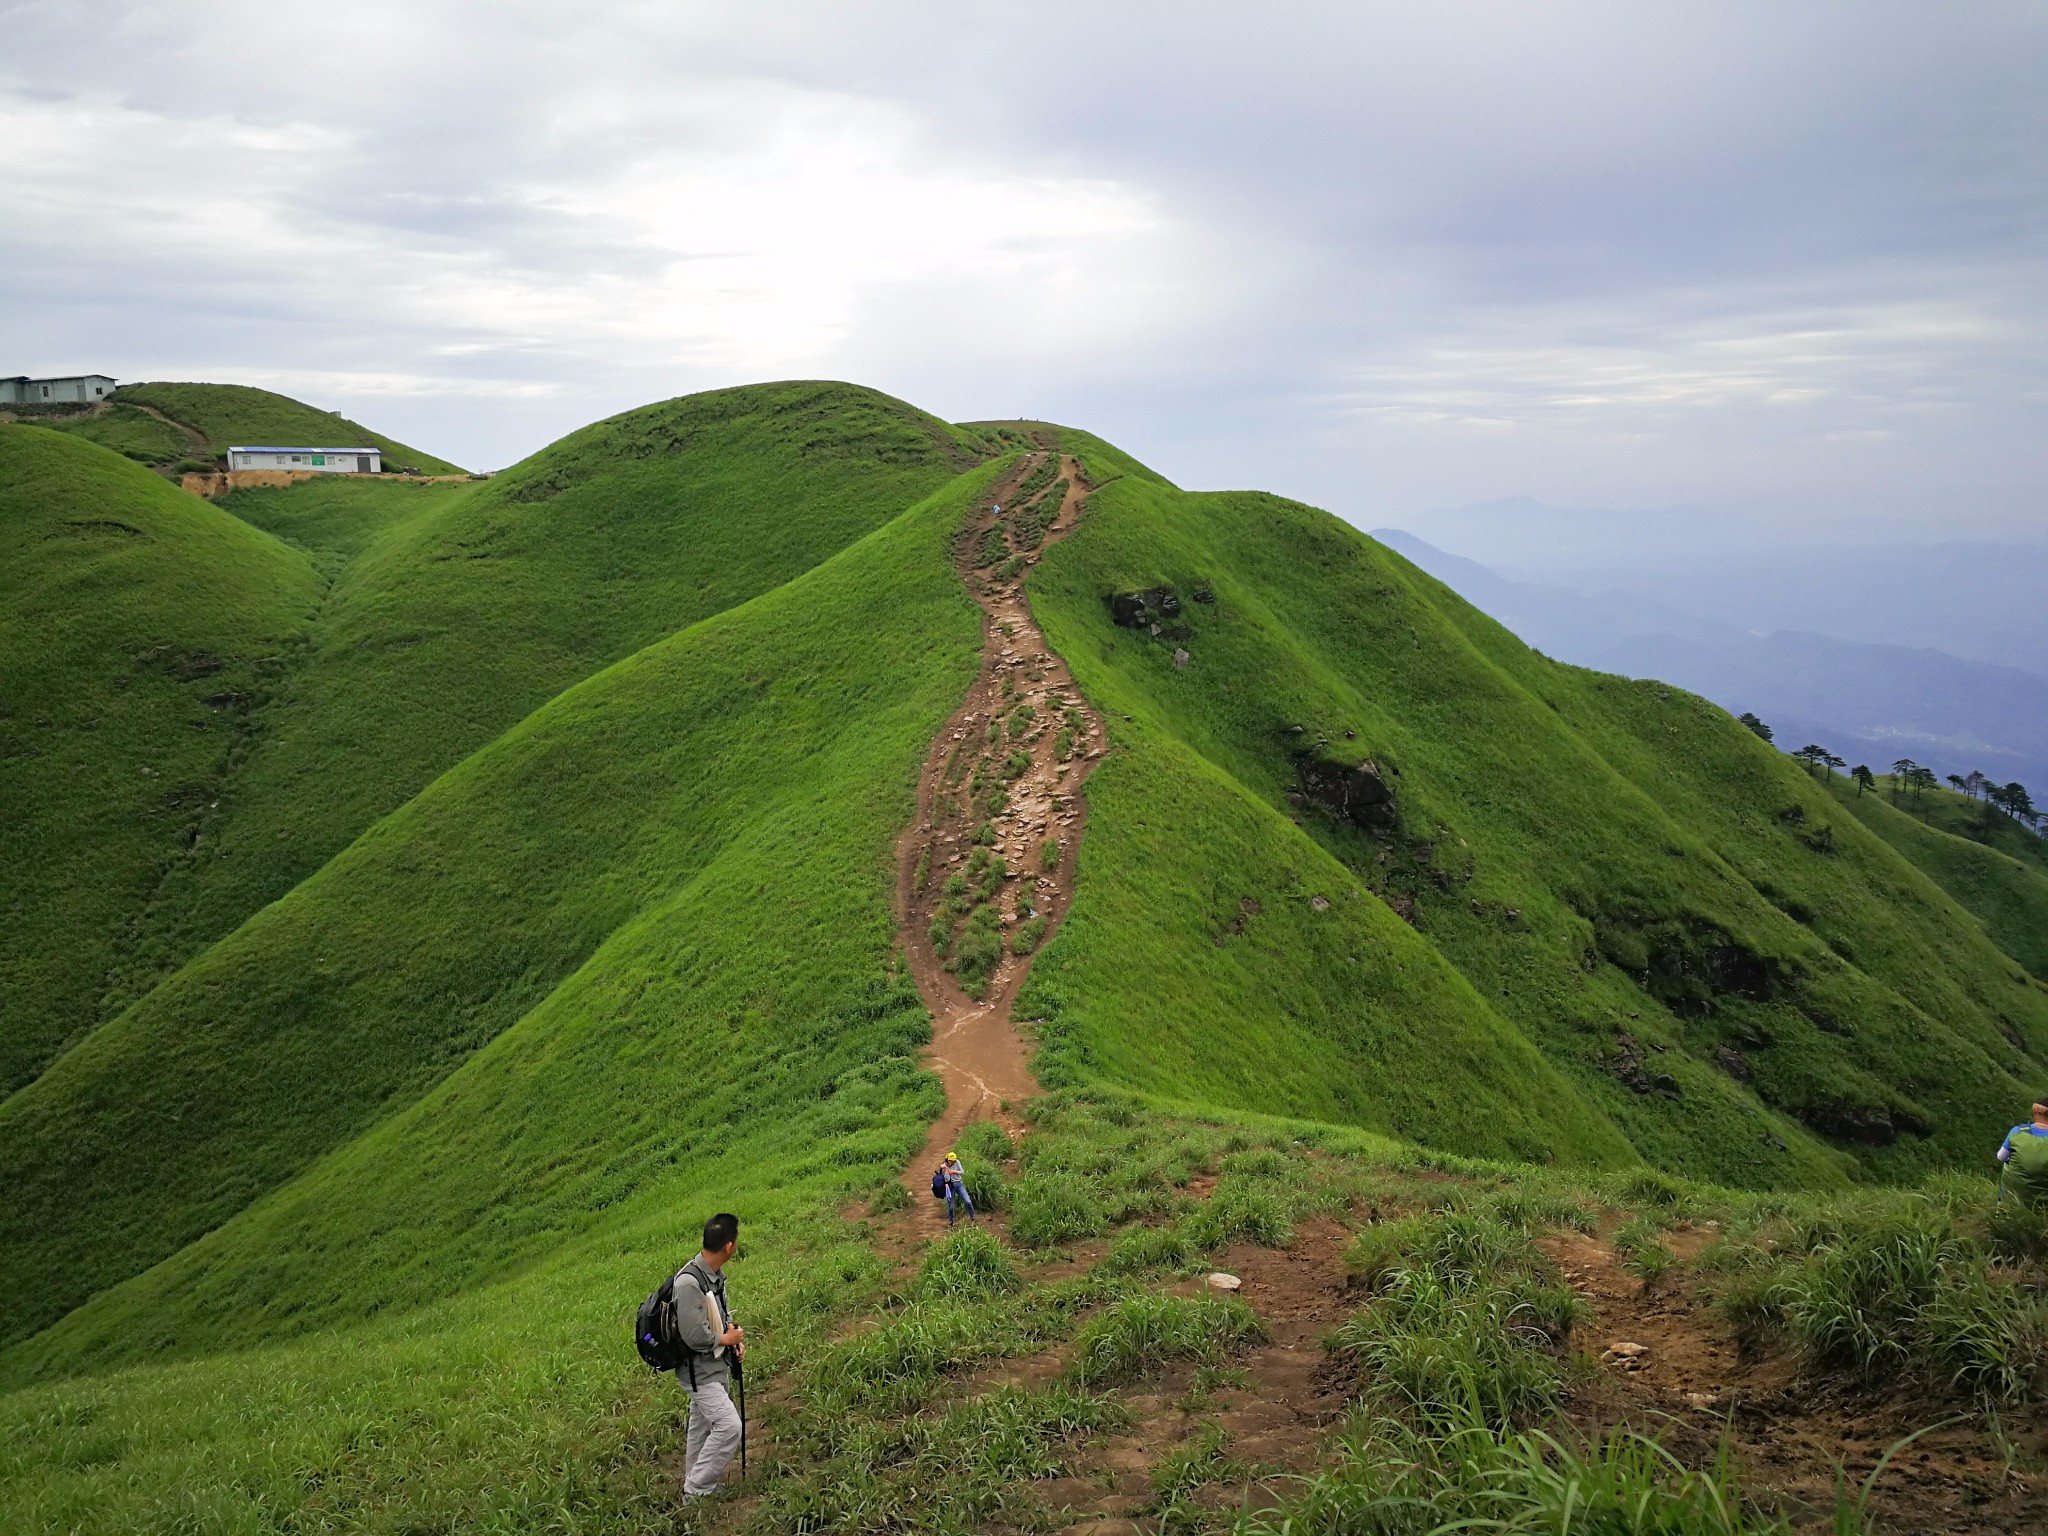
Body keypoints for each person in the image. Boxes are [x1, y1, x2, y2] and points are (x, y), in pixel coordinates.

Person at [673, 1212, 745, 1500]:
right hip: (697, 1373)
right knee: (729, 1427)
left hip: (715, 1365)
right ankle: (698, 1487)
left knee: (701, 1426)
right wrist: (725, 1339)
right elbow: (695, 1336)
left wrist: (732, 1341)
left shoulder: (713, 1276)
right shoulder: (689, 1283)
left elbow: (718, 1318)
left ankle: (695, 1488)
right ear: (729, 1247)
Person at [1996, 1099, 2048, 1207]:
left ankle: (2001, 1208)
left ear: (2035, 1113)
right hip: (2043, 1204)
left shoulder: (2018, 1131)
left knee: (2008, 1161)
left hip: (2014, 1199)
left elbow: (2001, 1157)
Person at [941, 1151, 976, 1226]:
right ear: (948, 1160)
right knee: (951, 1206)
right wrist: (946, 1171)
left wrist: (954, 1171)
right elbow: (946, 1179)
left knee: (968, 1201)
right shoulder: (944, 1166)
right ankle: (951, 1222)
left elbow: (962, 1172)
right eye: (952, 1161)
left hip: (959, 1184)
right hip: (950, 1187)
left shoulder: (957, 1162)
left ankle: (972, 1217)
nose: (954, 1162)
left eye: (954, 1161)